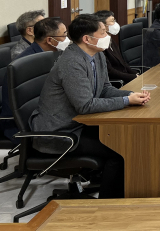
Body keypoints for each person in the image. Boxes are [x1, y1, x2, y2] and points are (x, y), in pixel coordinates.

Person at [29, 15, 150, 198]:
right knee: (120, 152)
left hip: (79, 124)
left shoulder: (97, 54)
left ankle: (117, 188)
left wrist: (130, 95)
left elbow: (105, 89)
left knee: (127, 138)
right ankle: (108, 205)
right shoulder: (71, 62)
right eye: (102, 33)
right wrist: (126, 102)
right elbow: (85, 106)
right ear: (87, 39)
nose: (107, 35)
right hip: (60, 132)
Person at [93, 10, 139, 84]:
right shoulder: (100, 45)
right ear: (103, 25)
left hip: (125, 77)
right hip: (117, 81)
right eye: (112, 21)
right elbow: (110, 71)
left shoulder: (111, 40)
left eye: (114, 20)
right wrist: (131, 77)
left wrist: (135, 74)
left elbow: (122, 62)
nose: (115, 23)